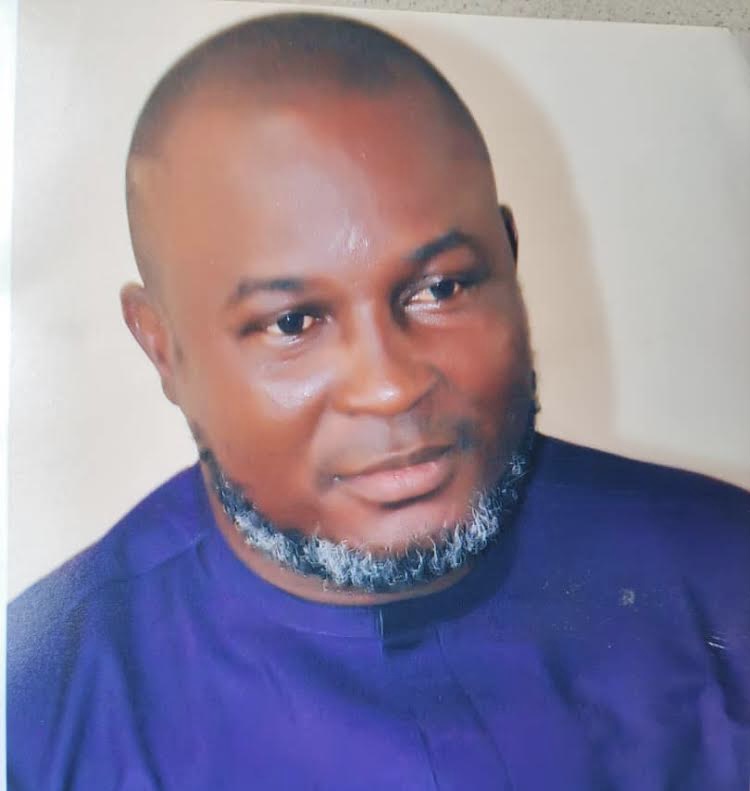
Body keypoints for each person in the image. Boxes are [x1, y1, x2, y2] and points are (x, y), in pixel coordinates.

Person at [7, 12, 749, 790]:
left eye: (443, 288)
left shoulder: (724, 576)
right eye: (292, 322)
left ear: (509, 260)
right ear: (163, 348)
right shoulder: (38, 718)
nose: (391, 385)